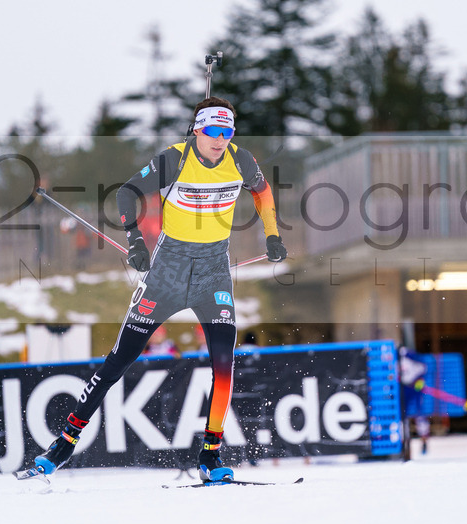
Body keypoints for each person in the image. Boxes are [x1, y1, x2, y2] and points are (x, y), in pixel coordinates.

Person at [23, 97, 287, 482]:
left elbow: (262, 193)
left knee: (224, 361)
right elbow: (126, 192)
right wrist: (134, 241)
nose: (219, 139)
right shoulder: (174, 159)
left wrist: (274, 234)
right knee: (119, 360)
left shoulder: (241, 160)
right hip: (167, 272)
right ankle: (64, 443)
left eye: (226, 132)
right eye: (212, 131)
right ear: (197, 129)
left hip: (213, 272)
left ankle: (210, 455)